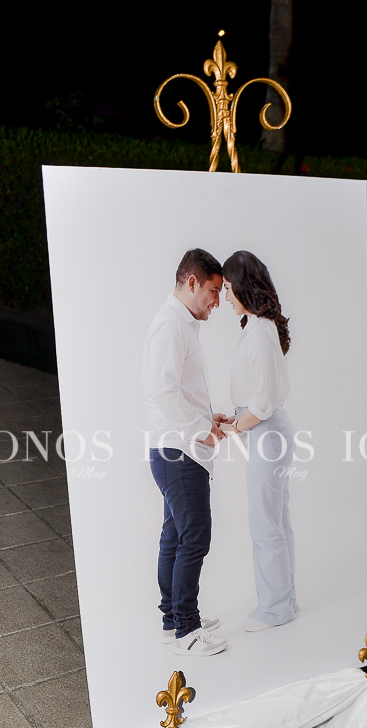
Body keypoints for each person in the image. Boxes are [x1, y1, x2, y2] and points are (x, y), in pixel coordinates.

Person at [143, 249, 229, 657]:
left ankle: (172, 620)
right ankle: (186, 630)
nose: (217, 301)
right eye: (213, 291)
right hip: (179, 453)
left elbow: (180, 391)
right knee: (194, 536)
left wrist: (206, 418)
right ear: (192, 282)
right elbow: (164, 393)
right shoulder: (171, 325)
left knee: (176, 535)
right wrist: (202, 430)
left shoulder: (180, 324)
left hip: (178, 447)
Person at [220, 250, 298, 632]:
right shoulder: (257, 327)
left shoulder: (262, 331)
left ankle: (275, 608)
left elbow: (264, 403)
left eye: (228, 288)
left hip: (265, 432)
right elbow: (256, 396)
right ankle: (284, 601)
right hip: (263, 431)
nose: (225, 297)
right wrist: (235, 419)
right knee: (275, 522)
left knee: (265, 525)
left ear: (243, 286)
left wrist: (234, 427)